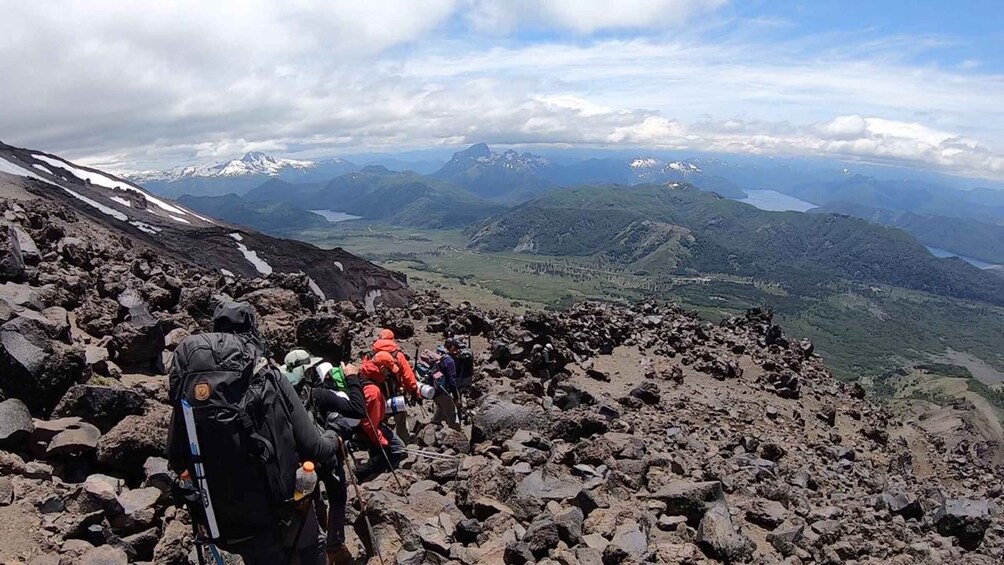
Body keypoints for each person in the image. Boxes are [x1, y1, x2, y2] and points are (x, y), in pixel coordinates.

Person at [167, 302, 341, 565]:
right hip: (280, 510)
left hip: (222, 518)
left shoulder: (192, 385)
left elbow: (175, 456)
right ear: (252, 328)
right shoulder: (267, 373)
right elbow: (313, 446)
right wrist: (335, 434)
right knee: (313, 547)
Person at [308, 360, 367, 565]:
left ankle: (316, 537)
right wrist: (352, 378)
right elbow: (358, 409)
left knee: (312, 495)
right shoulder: (322, 394)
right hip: (328, 452)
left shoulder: (294, 394)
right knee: (337, 497)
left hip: (305, 456)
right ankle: (333, 546)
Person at [352, 351, 407, 483]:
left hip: (368, 426)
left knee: (392, 449)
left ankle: (374, 469)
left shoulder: (362, 371)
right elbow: (369, 423)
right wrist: (382, 441)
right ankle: (370, 476)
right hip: (371, 429)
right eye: (388, 371)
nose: (389, 375)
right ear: (382, 368)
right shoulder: (373, 391)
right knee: (396, 450)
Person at [371, 328, 421, 443]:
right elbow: (408, 376)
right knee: (400, 419)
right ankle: (403, 443)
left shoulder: (371, 354)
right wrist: (414, 390)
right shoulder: (397, 355)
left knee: (380, 421)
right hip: (395, 394)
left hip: (378, 395)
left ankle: (383, 443)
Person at [420, 349, 460, 431]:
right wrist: (456, 397)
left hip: (433, 391)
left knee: (441, 407)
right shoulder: (449, 362)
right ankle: (456, 432)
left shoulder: (439, 359)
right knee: (451, 413)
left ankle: (432, 425)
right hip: (443, 391)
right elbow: (451, 381)